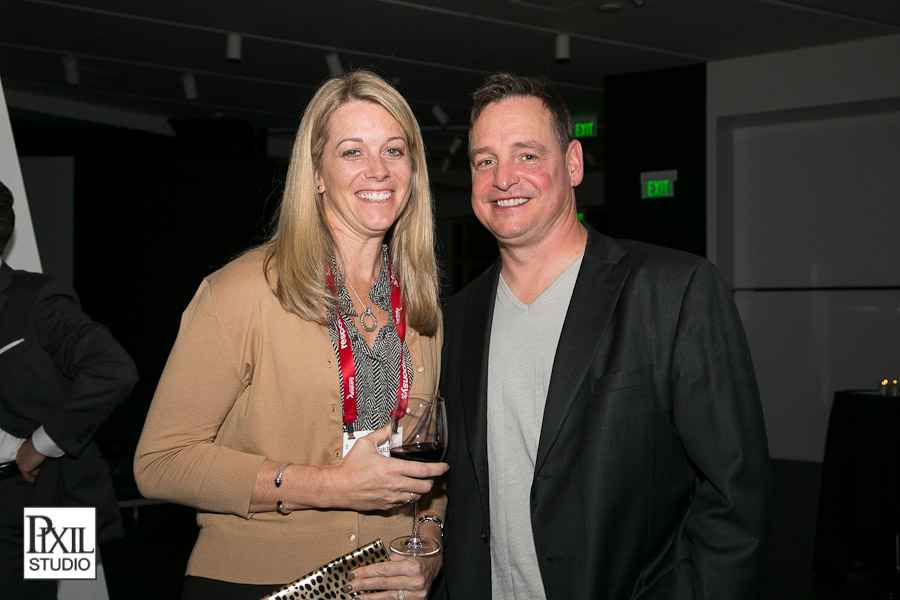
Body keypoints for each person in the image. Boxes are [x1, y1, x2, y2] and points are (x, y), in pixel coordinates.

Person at [437, 74, 771, 599]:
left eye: (527, 155)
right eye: (484, 161)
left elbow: (736, 497)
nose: (503, 178)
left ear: (573, 163)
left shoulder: (674, 291)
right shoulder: (456, 319)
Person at [134, 70, 447, 600]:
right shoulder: (242, 293)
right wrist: (329, 486)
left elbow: (427, 462)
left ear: (413, 170)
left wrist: (429, 544)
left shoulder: (419, 308)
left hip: (385, 586)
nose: (378, 169)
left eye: (394, 150)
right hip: (264, 583)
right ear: (317, 173)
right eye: (352, 151)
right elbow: (160, 464)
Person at [0, 180, 138, 599]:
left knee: (48, 594)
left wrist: (41, 444)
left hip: (49, 489)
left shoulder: (37, 297)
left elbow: (115, 369)